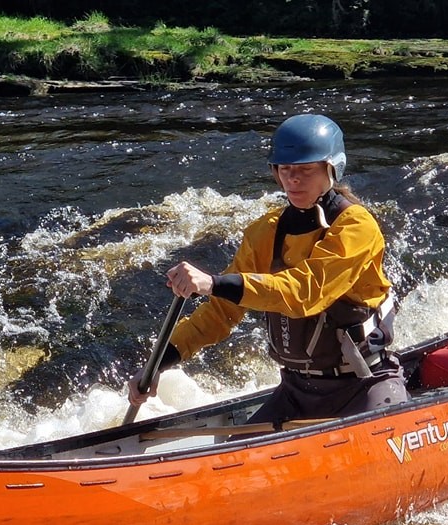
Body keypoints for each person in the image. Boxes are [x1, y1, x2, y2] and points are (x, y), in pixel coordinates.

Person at [128, 113, 407, 426]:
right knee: (236, 450)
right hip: (296, 391)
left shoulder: (356, 226)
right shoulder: (266, 231)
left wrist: (213, 283)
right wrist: (158, 364)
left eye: (305, 169)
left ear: (331, 169)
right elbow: (220, 313)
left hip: (363, 384)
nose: (293, 179)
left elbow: (304, 292)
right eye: (285, 169)